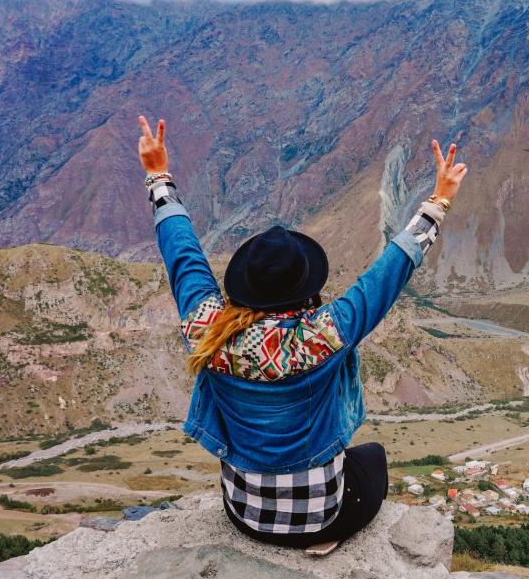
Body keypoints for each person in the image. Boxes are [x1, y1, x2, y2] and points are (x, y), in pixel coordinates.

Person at [135, 115, 467, 552]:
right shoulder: (323, 334)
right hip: (320, 515)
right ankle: (324, 538)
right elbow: (390, 271)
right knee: (374, 459)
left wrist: (158, 175)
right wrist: (439, 201)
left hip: (245, 517)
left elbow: (182, 252)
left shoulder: (207, 330)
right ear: (305, 291)